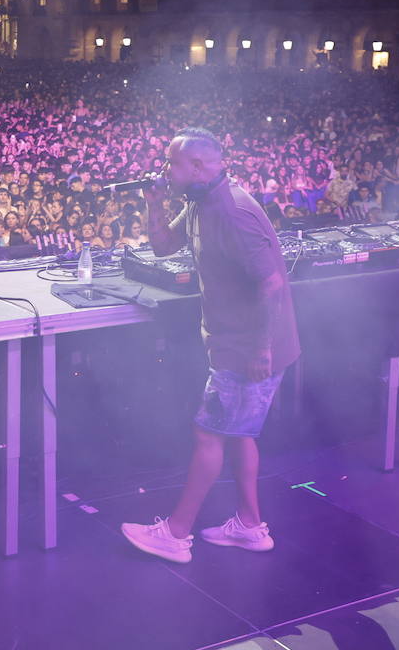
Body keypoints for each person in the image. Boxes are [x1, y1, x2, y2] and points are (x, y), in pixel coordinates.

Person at [121, 126, 301, 564]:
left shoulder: (233, 212)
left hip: (250, 346)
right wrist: (155, 203)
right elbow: (164, 248)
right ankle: (250, 526)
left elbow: (273, 283)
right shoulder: (202, 201)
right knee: (239, 434)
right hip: (236, 342)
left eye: (171, 163)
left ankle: (176, 535)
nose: (164, 169)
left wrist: (261, 350)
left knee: (209, 433)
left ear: (198, 166)